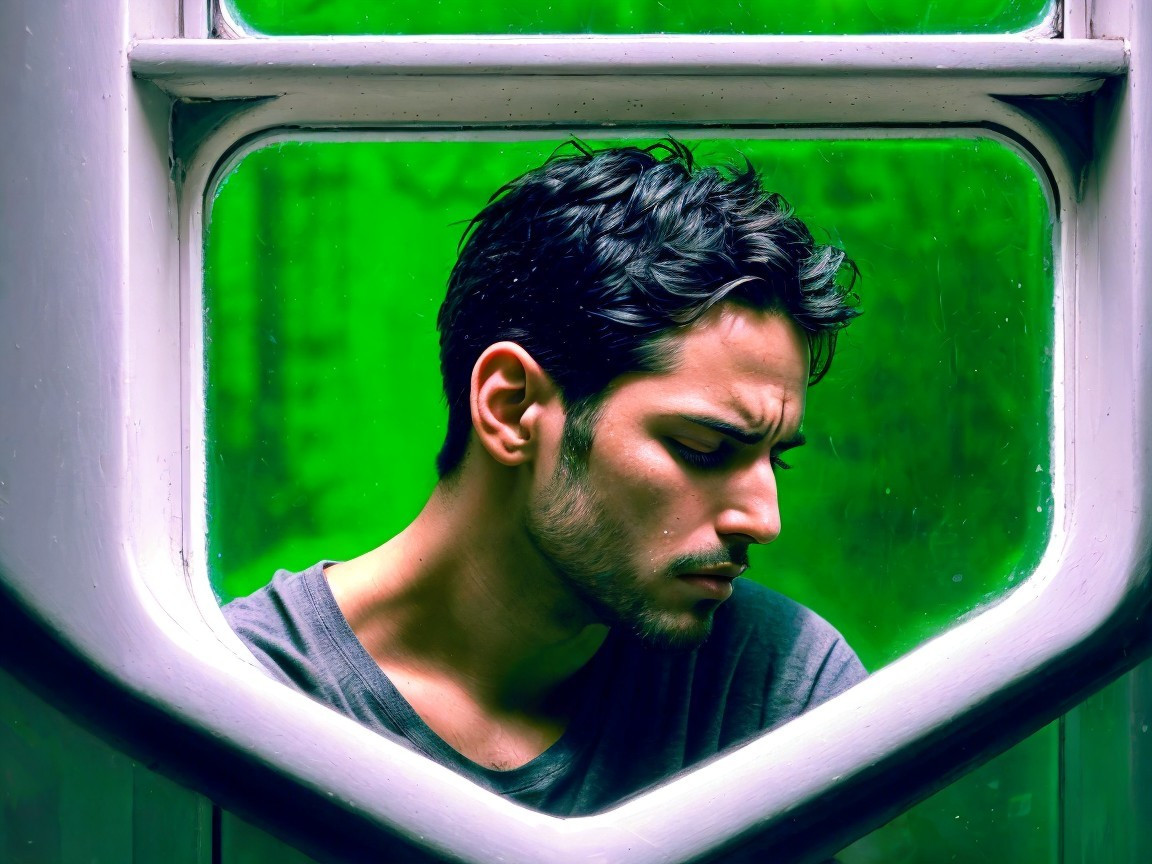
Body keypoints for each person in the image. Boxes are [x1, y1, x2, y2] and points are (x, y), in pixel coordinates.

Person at [224, 139, 867, 817]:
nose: (764, 520)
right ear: (511, 408)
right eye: (702, 448)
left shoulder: (775, 687)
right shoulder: (241, 691)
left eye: (775, 458)